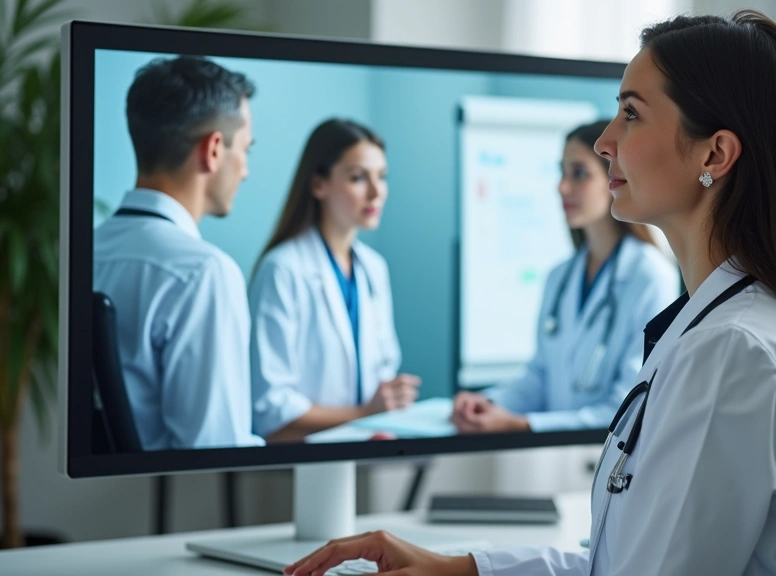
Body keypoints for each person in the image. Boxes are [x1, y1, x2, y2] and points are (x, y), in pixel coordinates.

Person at [284, 10, 776, 576]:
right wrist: (461, 568)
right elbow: (619, 563)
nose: (606, 140)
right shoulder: (719, 327)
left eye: (631, 113)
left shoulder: (732, 351)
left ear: (715, 152)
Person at [450, 120, 679, 434]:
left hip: (610, 458)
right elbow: (540, 377)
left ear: (613, 178)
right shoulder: (560, 278)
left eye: (579, 173)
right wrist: (486, 403)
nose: (562, 187)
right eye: (562, 172)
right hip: (553, 454)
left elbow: (631, 401)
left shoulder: (650, 274)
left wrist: (522, 424)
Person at [93, 55, 264, 450]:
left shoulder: (83, 254)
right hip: (186, 502)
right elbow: (213, 449)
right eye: (246, 151)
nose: (245, 171)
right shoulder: (203, 272)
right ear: (215, 149)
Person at [249, 118, 420, 443]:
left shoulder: (374, 268)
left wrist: (391, 401)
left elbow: (382, 370)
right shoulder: (283, 269)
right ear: (318, 185)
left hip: (364, 447)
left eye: (382, 177)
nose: (376, 192)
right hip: (299, 462)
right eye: (358, 178)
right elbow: (271, 408)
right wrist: (363, 415)